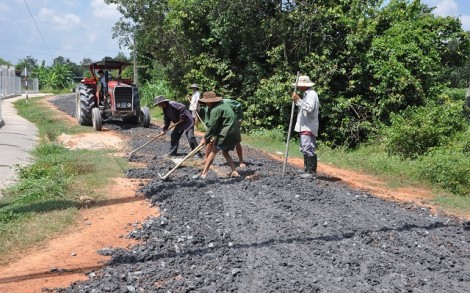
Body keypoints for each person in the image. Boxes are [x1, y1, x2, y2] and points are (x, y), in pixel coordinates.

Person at [193, 91, 241, 179]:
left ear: (211, 101)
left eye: (207, 102)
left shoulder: (215, 109)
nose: (206, 104)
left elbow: (212, 126)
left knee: (213, 152)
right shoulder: (224, 105)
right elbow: (221, 123)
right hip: (235, 133)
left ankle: (204, 173)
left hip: (226, 133)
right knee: (225, 152)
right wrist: (211, 136)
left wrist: (205, 138)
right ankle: (234, 171)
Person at [201, 98, 246, 168]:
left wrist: (238, 119)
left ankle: (241, 161)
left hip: (232, 122)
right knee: (210, 140)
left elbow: (238, 105)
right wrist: (208, 136)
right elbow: (209, 125)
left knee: (236, 141)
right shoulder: (208, 109)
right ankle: (206, 159)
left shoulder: (226, 102)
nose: (206, 104)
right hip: (220, 124)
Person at [291, 75, 320, 179]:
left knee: (308, 147)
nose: (298, 87)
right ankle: (307, 169)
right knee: (304, 147)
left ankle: (311, 172)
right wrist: (298, 101)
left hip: (309, 126)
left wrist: (298, 100)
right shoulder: (306, 94)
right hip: (304, 125)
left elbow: (309, 108)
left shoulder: (312, 94)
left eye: (300, 85)